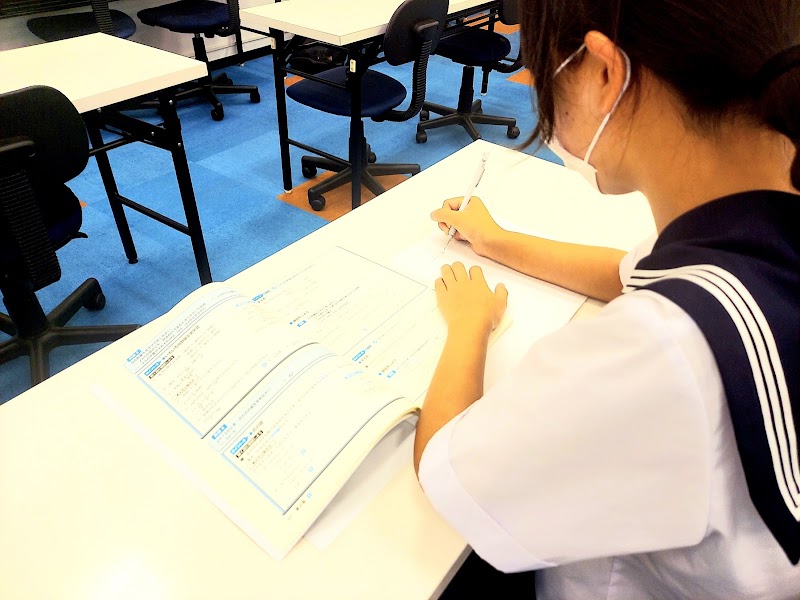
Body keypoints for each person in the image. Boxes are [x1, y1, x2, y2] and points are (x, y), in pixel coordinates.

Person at [413, 0, 800, 598]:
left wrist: (470, 323)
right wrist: (498, 240)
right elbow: (631, 272)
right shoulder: (758, 209)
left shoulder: (662, 348)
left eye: (541, 72)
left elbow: (447, 467)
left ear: (603, 73)